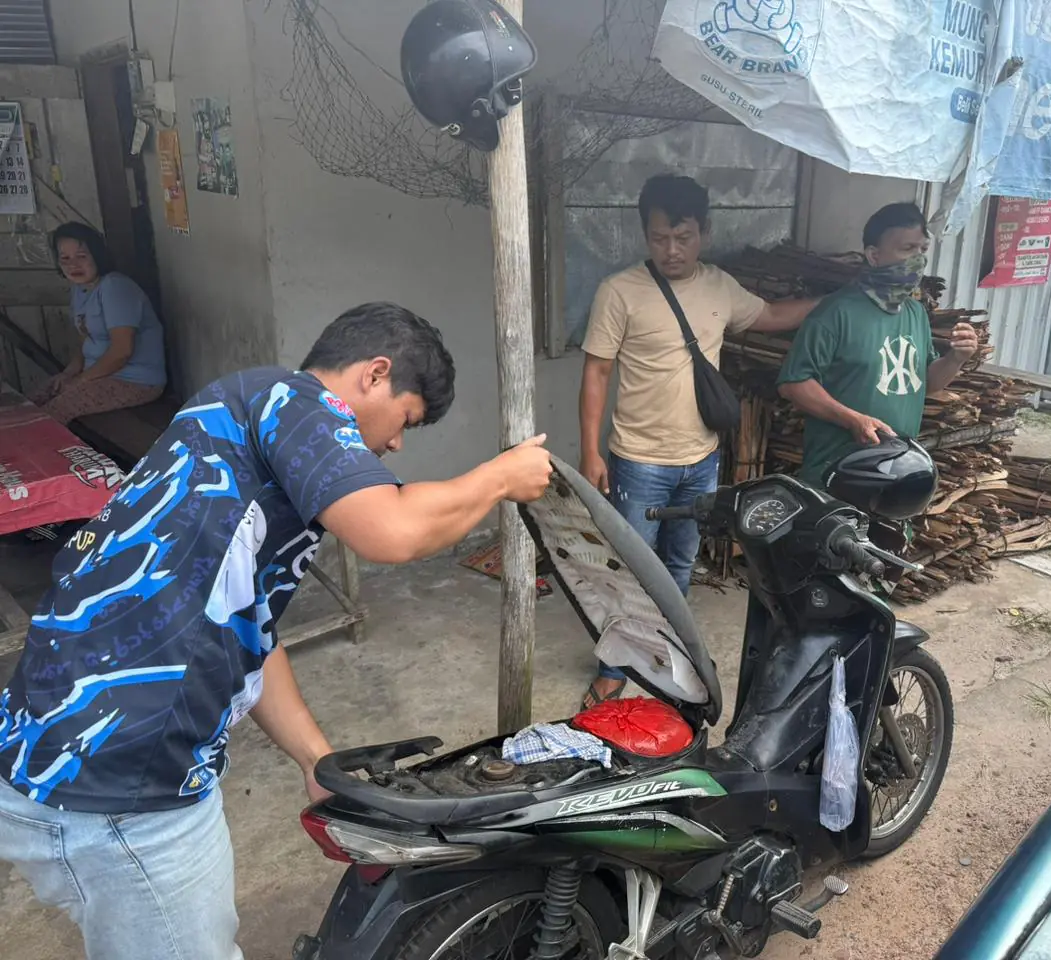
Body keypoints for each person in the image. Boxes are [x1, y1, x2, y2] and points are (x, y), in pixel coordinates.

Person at [0, 302, 554, 960]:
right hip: (121, 783)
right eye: (406, 420)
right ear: (375, 374)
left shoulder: (238, 429)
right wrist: (501, 476)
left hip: (58, 757)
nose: (397, 445)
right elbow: (394, 530)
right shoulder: (291, 399)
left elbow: (249, 631)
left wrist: (316, 761)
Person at [578, 174, 818, 708]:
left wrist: (833, 301)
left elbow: (773, 316)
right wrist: (591, 451)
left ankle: (668, 652)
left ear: (704, 232)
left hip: (701, 460)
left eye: (682, 236)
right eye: (660, 237)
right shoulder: (619, 291)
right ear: (645, 234)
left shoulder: (719, 287)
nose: (671, 249)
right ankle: (614, 668)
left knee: (682, 565)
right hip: (638, 460)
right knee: (630, 571)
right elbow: (596, 373)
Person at [777, 202, 979, 486]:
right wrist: (852, 420)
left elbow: (927, 382)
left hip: (899, 473)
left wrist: (956, 359)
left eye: (922, 250)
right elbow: (794, 384)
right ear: (873, 255)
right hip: (838, 473)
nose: (918, 260)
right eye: (906, 249)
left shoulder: (915, 313)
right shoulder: (836, 313)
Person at [32, 222, 168, 424]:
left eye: (82, 256)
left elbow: (122, 351)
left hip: (136, 381)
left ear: (97, 256)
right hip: (96, 375)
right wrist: (68, 373)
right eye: (65, 258)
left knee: (51, 415)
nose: (73, 265)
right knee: (32, 402)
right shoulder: (80, 289)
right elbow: (84, 341)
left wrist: (79, 381)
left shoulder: (115, 287)